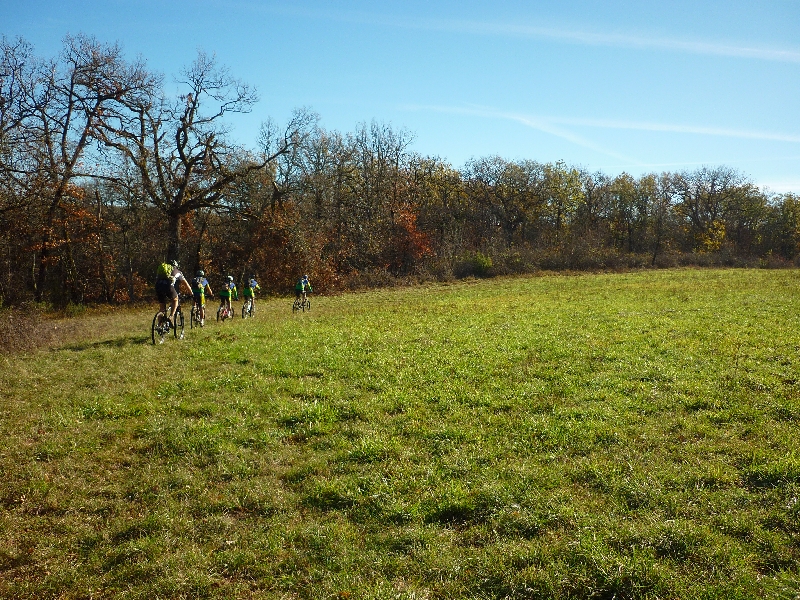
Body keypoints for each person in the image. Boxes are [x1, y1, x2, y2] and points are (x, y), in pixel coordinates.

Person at [155, 259, 192, 328]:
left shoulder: (163, 270)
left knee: (162, 308)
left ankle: (159, 326)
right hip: (168, 286)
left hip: (158, 286)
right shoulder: (177, 271)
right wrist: (191, 293)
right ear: (176, 266)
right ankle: (171, 316)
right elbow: (185, 284)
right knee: (175, 299)